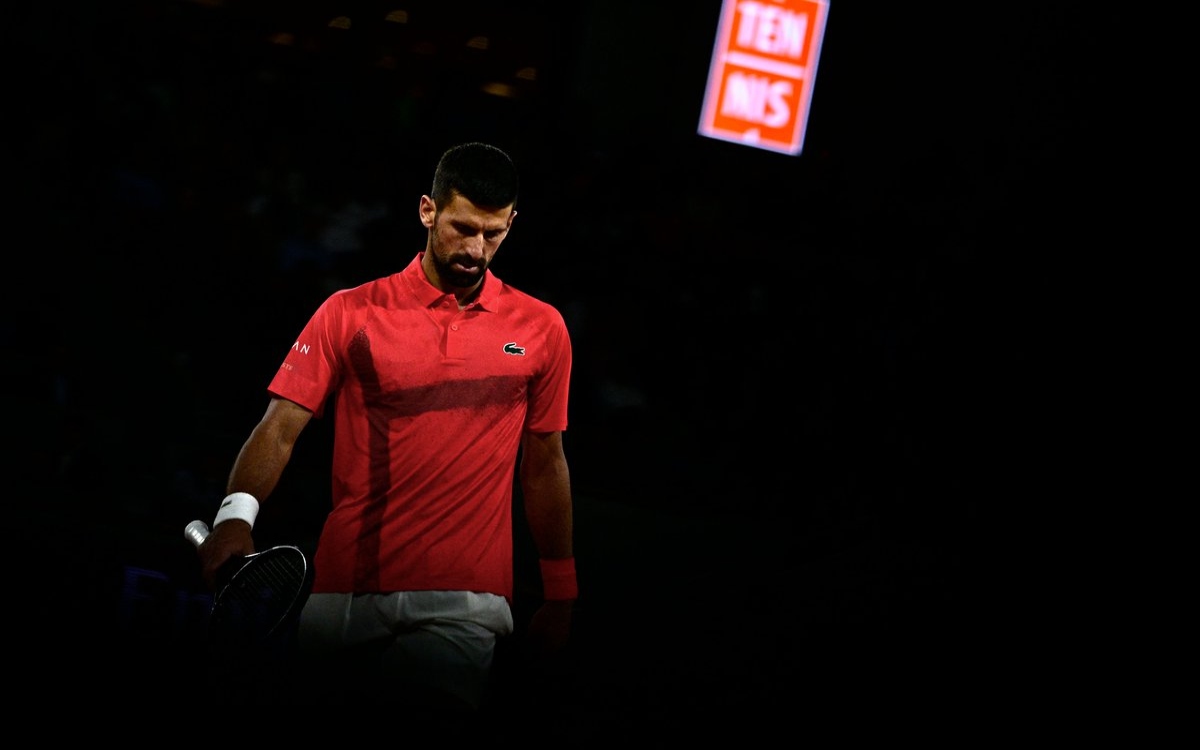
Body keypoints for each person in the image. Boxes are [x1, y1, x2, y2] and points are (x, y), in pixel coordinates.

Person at [194, 142, 578, 716]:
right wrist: (234, 519)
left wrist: (561, 588)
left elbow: (545, 460)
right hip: (340, 590)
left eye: (494, 233)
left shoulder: (543, 329)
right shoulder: (348, 312)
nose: (476, 249)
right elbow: (278, 429)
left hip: (464, 599)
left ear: (512, 223)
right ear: (427, 211)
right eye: (462, 227)